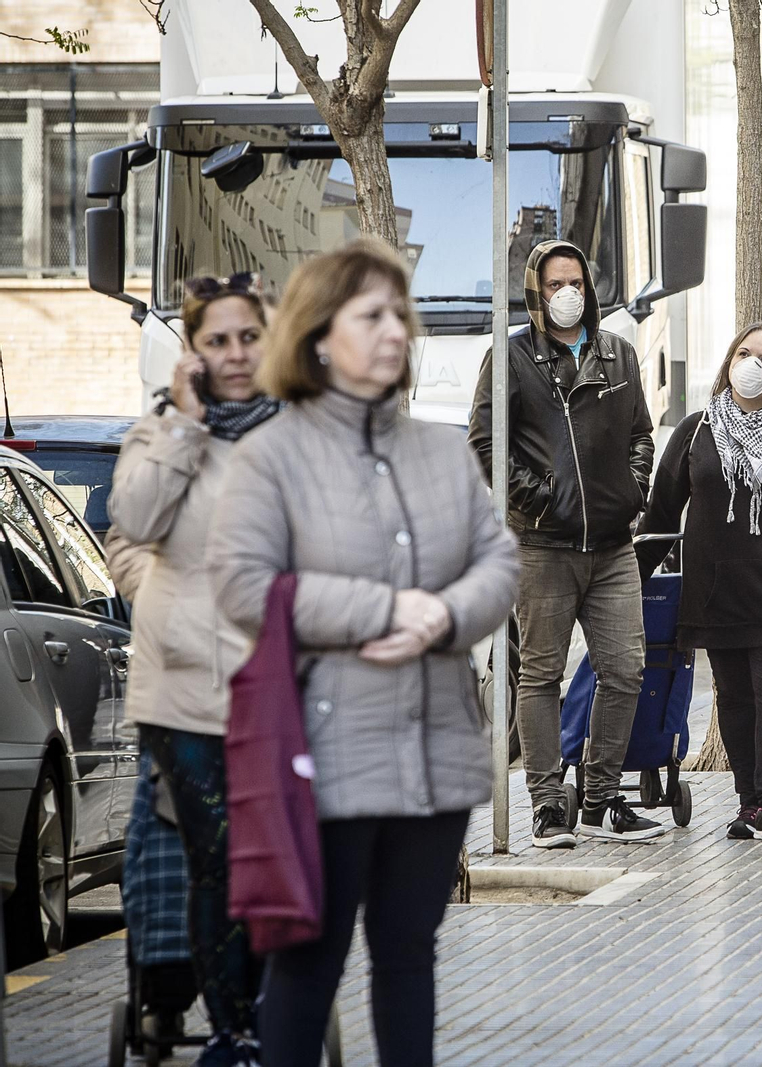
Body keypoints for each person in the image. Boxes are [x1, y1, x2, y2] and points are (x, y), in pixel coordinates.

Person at [208, 240, 517, 1067]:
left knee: (410, 955)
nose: (395, 332)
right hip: (325, 758)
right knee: (308, 964)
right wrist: (384, 608)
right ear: (318, 335)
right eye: (371, 316)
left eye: (400, 315)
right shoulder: (272, 456)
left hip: (435, 749)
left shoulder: (444, 449)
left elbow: (500, 562)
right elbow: (242, 582)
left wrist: (441, 618)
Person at [108, 273, 281, 1067]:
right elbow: (134, 525)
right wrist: (186, 423)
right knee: (215, 858)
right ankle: (234, 1029)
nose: (235, 353)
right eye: (217, 340)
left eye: (248, 336)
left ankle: (267, 1008)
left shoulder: (305, 432)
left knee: (270, 861)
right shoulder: (162, 430)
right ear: (193, 353)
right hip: (185, 693)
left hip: (279, 690)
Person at [468, 240, 661, 847]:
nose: (566, 294)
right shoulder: (513, 357)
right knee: (541, 675)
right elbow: (484, 445)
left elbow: (641, 435)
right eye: (553, 285)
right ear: (535, 292)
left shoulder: (618, 354)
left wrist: (630, 492)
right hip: (543, 548)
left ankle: (602, 799)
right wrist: (542, 500)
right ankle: (549, 805)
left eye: (574, 281)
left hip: (611, 549)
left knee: (626, 669)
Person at [635, 324, 762, 843]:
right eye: (745, 354)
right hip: (717, 594)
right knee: (732, 699)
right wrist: (630, 579)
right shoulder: (697, 430)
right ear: (729, 360)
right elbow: (662, 511)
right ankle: (747, 803)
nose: (754, 366)